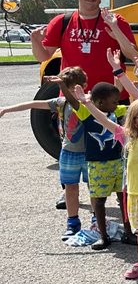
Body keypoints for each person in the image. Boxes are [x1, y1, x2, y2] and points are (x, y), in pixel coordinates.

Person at [80, 94, 138, 280]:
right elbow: (104, 121)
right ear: (134, 120)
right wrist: (87, 103)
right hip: (134, 192)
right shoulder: (128, 138)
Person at [0, 66, 89, 239]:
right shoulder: (60, 103)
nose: (70, 93)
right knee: (71, 188)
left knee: (94, 190)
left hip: (89, 153)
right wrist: (6, 109)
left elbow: (85, 106)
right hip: (68, 152)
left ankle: (96, 221)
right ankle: (73, 222)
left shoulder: (89, 102)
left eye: (73, 88)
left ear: (84, 85)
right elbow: (33, 104)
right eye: (67, 89)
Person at [31, 0, 137, 91]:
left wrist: (116, 31)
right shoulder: (61, 21)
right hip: (73, 95)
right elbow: (43, 57)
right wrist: (35, 41)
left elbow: (133, 55)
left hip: (111, 97)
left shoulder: (115, 21)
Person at [73, 81, 127, 250]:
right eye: (114, 102)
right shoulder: (86, 113)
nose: (117, 104)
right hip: (97, 164)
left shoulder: (117, 112)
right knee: (99, 201)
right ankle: (103, 236)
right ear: (100, 103)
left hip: (118, 162)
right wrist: (64, 87)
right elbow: (75, 103)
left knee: (123, 197)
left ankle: (129, 232)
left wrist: (119, 78)